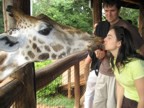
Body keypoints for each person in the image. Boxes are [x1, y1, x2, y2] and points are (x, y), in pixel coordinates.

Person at [93, 0, 144, 108]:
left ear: (119, 10)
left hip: (118, 75)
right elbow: (98, 45)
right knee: (98, 104)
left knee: (112, 104)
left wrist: (137, 69)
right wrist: (99, 53)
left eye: (112, 10)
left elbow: (141, 49)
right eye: (106, 11)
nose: (109, 14)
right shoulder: (102, 26)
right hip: (104, 70)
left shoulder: (127, 28)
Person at [104, 26, 144, 108]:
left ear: (119, 43)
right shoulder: (114, 61)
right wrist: (118, 106)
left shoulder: (136, 65)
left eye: (109, 38)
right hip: (126, 100)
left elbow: (143, 97)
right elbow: (120, 85)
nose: (104, 39)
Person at [84, 21, 110, 108]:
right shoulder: (110, 43)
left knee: (89, 95)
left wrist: (85, 78)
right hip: (107, 74)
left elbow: (86, 63)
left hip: (96, 74)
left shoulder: (95, 45)